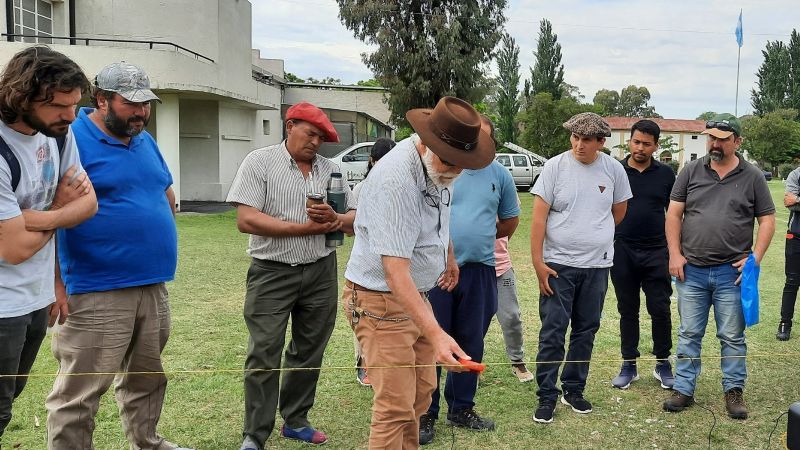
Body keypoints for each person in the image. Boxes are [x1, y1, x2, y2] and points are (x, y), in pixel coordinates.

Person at [43, 62, 189, 449]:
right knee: (79, 392)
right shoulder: (68, 139)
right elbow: (50, 214)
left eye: (146, 104)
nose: (141, 112)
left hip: (152, 283)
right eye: (131, 104)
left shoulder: (144, 139)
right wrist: (55, 283)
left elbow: (163, 188)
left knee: (147, 377)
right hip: (95, 287)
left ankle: (147, 442)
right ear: (102, 99)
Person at [343, 96, 494, 449]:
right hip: (379, 302)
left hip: (416, 297)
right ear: (426, 142)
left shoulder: (441, 163)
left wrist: (449, 257)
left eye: (462, 164)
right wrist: (439, 335)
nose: (455, 171)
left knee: (421, 396)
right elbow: (394, 273)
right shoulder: (396, 179)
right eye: (450, 161)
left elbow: (439, 219)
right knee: (395, 408)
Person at [227, 101, 356, 450]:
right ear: (290, 125)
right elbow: (246, 220)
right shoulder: (260, 162)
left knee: (309, 349)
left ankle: (296, 420)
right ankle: (255, 434)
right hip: (272, 271)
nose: (315, 142)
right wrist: (303, 229)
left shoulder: (332, 170)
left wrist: (336, 220)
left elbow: (356, 217)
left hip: (320, 271)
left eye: (321, 138)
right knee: (264, 352)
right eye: (309, 133)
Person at [0, 46, 96, 439]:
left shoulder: (59, 134)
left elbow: (88, 203)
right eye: (59, 105)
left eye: (75, 105)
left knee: (11, 397)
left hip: (36, 298)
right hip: (3, 304)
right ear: (21, 96)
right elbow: (14, 248)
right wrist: (60, 206)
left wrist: (55, 281)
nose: (71, 116)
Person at [662, 114, 775, 420]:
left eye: (723, 139)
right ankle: (684, 388)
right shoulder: (690, 171)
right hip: (692, 271)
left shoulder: (752, 176)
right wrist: (675, 254)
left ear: (737, 142)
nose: (715, 143)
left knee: (732, 336)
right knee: (688, 333)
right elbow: (673, 215)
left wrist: (756, 258)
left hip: (731, 274)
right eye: (711, 137)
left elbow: (767, 220)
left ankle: (734, 391)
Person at [419, 115, 519, 444]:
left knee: (471, 341)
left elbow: (509, 220)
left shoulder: (500, 175)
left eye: (485, 140)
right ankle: (425, 413)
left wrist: (480, 233)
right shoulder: (439, 166)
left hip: (480, 270)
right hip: (436, 271)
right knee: (433, 340)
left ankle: (461, 407)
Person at [530, 112, 632, 424]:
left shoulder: (614, 169)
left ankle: (573, 388)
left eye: (586, 139)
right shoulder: (554, 167)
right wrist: (538, 263)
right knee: (553, 330)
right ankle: (547, 394)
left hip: (597, 266)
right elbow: (538, 218)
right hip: (557, 265)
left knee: (586, 329)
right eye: (575, 137)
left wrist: (593, 236)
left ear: (602, 142)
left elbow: (619, 211)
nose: (578, 144)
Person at [610, 119, 676, 390]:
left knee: (660, 307)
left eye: (646, 144)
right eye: (636, 142)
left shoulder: (666, 174)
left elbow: (674, 214)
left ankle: (663, 362)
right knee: (628, 308)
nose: (640, 148)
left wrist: (675, 251)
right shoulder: (615, 171)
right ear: (629, 141)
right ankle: (629, 364)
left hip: (657, 250)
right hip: (622, 248)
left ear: (655, 146)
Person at [351, 136, 396, 387]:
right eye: (381, 161)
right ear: (372, 161)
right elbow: (354, 225)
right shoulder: (362, 188)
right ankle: (363, 364)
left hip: (393, 267)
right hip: (368, 263)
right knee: (364, 318)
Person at [494, 234, 534, 383]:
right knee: (473, 321)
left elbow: (511, 222)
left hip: (501, 267)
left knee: (511, 316)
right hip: (468, 267)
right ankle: (472, 368)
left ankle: (517, 361)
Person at [778, 165, 800, 341]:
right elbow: (789, 202)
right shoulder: (796, 174)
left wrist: (798, 199)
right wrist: (795, 201)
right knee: (792, 282)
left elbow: (795, 200)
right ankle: (785, 323)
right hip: (796, 236)